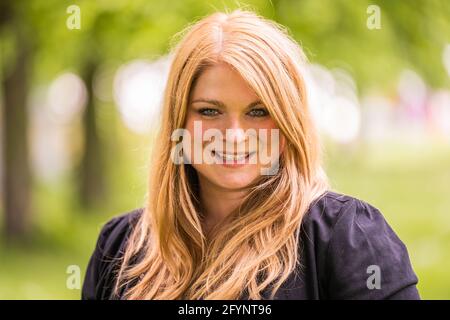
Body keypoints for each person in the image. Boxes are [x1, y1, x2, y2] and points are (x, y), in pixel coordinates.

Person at [82, 9, 420, 300]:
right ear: (178, 122)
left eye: (258, 112)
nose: (235, 135)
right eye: (210, 111)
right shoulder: (120, 247)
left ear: (288, 123)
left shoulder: (347, 238)